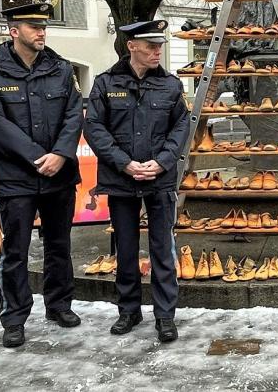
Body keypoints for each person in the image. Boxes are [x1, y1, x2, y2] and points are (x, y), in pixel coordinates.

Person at [0, 3, 84, 347]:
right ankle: (15, 317)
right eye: (34, 27)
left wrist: (62, 154)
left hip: (59, 175)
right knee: (16, 250)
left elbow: (74, 115)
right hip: (16, 178)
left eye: (44, 27)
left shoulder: (61, 69)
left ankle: (59, 305)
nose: (41, 32)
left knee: (59, 245)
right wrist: (39, 157)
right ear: (13, 31)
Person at [85, 20, 190, 341]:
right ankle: (128, 311)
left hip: (159, 180)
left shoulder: (171, 86)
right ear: (132, 46)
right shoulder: (105, 83)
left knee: (162, 249)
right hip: (121, 180)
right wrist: (125, 163)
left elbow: (181, 129)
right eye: (150, 46)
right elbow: (94, 129)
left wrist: (161, 163)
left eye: (160, 46)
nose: (158, 51)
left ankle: (165, 316)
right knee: (126, 249)